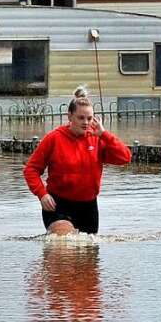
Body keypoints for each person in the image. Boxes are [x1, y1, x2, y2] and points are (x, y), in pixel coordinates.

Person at [23, 87, 132, 235]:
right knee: (63, 245)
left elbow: (125, 157)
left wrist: (104, 134)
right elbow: (31, 169)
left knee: (88, 254)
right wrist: (42, 194)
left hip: (88, 206)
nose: (86, 123)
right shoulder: (53, 138)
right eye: (81, 118)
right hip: (57, 205)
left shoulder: (97, 138)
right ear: (70, 116)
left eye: (89, 118)